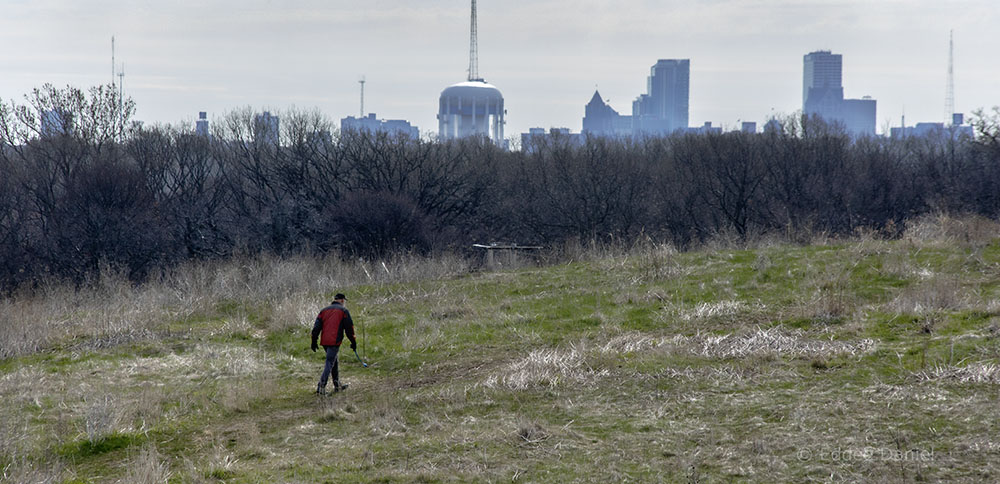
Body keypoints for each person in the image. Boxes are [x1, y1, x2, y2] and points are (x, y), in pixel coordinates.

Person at [311, 293, 358, 395]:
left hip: (324, 341)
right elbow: (349, 328)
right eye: (344, 301)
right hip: (334, 340)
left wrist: (314, 341)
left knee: (333, 360)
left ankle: (337, 385)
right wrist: (353, 342)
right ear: (342, 300)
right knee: (330, 362)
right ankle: (321, 387)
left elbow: (316, 328)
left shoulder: (324, 311)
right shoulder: (343, 311)